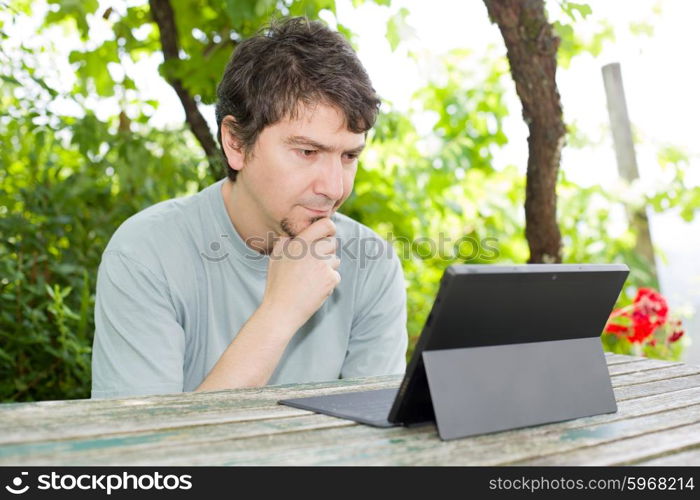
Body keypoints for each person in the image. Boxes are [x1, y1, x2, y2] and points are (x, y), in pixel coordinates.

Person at [90, 17, 408, 398]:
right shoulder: (145, 254)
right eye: (307, 152)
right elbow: (142, 449)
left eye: (349, 156)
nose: (334, 188)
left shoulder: (372, 264)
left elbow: (375, 439)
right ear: (236, 143)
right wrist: (280, 311)